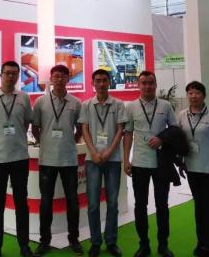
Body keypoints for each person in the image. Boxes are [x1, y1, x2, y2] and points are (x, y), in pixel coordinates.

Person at [123, 71, 178, 257]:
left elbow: (175, 128)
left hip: (161, 163)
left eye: (151, 83)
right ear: (138, 85)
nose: (147, 86)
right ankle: (144, 244)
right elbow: (128, 134)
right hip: (139, 163)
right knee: (140, 205)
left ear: (155, 84)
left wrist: (162, 139)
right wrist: (126, 159)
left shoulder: (165, 105)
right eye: (144, 83)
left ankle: (163, 244)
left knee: (162, 205)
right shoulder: (131, 107)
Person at [32, 65, 84, 256]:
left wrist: (70, 142)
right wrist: (44, 143)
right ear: (51, 79)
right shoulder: (41, 102)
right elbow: (35, 127)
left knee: (73, 201)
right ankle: (44, 241)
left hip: (69, 159)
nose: (59, 79)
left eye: (63, 76)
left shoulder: (76, 103)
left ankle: (74, 239)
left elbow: (80, 128)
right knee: (46, 202)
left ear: (68, 79)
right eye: (56, 76)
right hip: (47, 160)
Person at [0, 61, 33, 257]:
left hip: (20, 157)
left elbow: (26, 123)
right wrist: (1, 139)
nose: (11, 76)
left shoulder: (24, 97)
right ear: (1, 74)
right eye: (7, 73)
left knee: (21, 203)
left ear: (18, 76)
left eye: (14, 73)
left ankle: (24, 245)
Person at [79, 69, 125, 257]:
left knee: (113, 203)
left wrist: (108, 152)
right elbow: (84, 129)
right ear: (93, 83)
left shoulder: (118, 104)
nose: (101, 84)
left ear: (109, 82)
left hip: (113, 160)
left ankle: (111, 241)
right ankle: (95, 242)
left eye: (104, 80)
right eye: (97, 81)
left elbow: (120, 130)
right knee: (93, 204)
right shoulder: (86, 105)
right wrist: (93, 152)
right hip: (93, 160)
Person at [176, 81, 209, 257]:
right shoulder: (182, 115)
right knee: (198, 206)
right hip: (191, 167)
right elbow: (180, 140)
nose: (193, 96)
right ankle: (201, 243)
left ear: (203, 95)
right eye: (190, 93)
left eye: (197, 93)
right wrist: (180, 161)